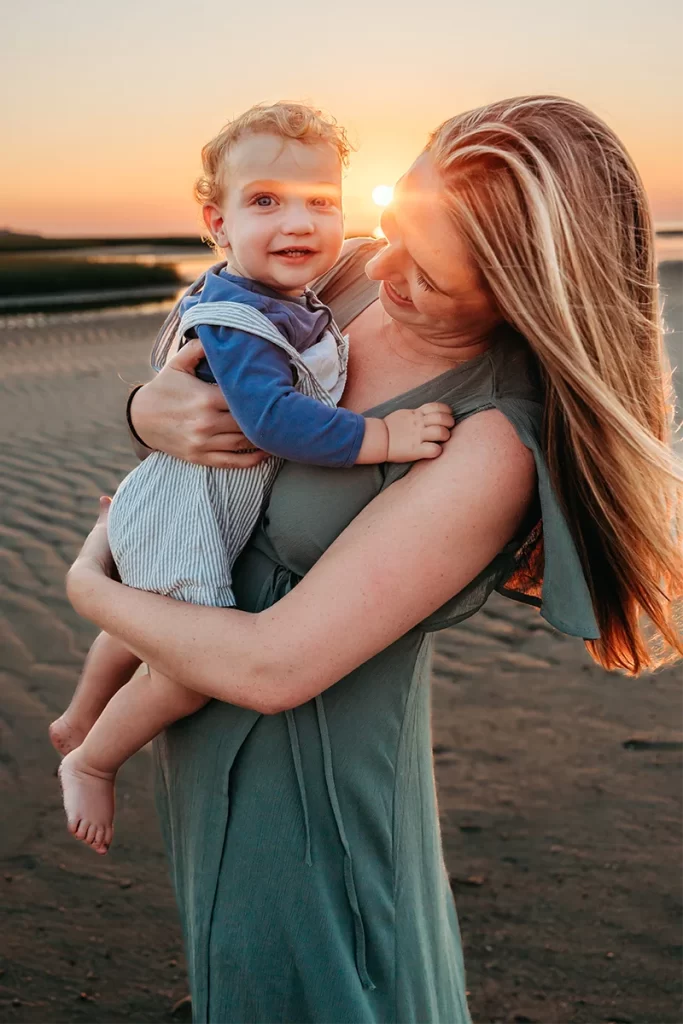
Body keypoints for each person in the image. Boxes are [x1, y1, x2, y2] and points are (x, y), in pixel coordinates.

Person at [64, 96, 683, 1023]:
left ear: (520, 298)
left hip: (310, 794)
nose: (380, 264)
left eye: (427, 272)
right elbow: (214, 369)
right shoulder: (341, 281)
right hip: (191, 707)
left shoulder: (490, 442)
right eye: (388, 227)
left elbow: (276, 668)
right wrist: (146, 409)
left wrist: (87, 587)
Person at [50, 102, 453, 856]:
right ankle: (94, 756)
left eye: (320, 202)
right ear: (217, 223)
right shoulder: (240, 318)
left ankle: (79, 712)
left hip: (175, 501)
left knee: (142, 612)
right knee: (186, 666)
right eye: (265, 200)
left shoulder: (281, 296)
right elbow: (271, 422)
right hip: (190, 509)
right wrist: (382, 435)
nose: (297, 222)